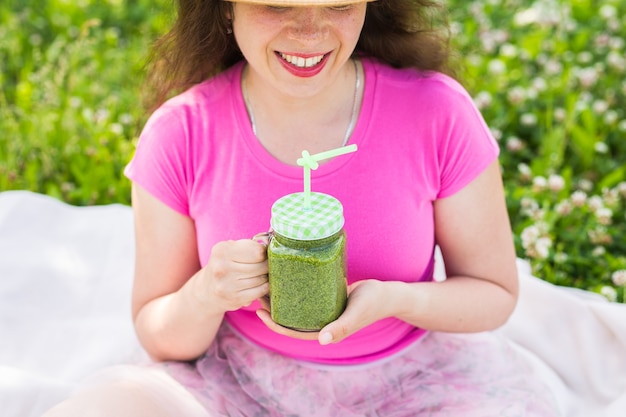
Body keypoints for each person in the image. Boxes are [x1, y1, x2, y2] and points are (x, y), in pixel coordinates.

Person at [44, 0, 560, 415]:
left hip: (414, 382)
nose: (310, 33)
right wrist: (208, 292)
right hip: (238, 383)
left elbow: (493, 294)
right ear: (226, 7)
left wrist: (391, 300)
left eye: (337, 6)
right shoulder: (182, 134)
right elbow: (159, 333)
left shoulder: (435, 114)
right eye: (277, 6)